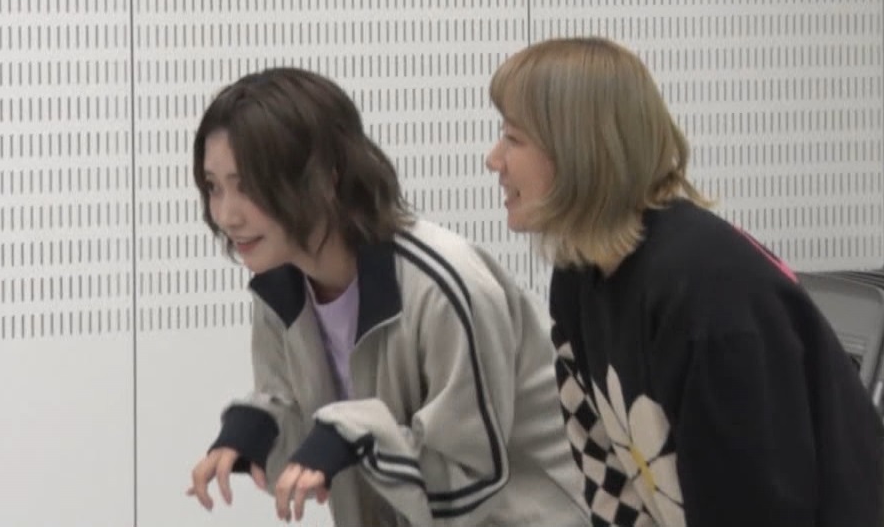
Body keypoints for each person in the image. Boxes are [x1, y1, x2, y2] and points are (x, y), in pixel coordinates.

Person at [485, 36, 884, 527]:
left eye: (513, 138)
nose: (493, 159)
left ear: (578, 151)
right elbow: (607, 479)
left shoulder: (708, 296)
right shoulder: (579, 275)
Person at [184, 67, 587, 526]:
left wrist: (355, 435)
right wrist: (258, 431)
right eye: (213, 186)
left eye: (247, 186)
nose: (226, 215)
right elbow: (315, 434)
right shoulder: (280, 289)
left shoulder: (444, 286)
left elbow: (470, 479)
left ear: (326, 178)